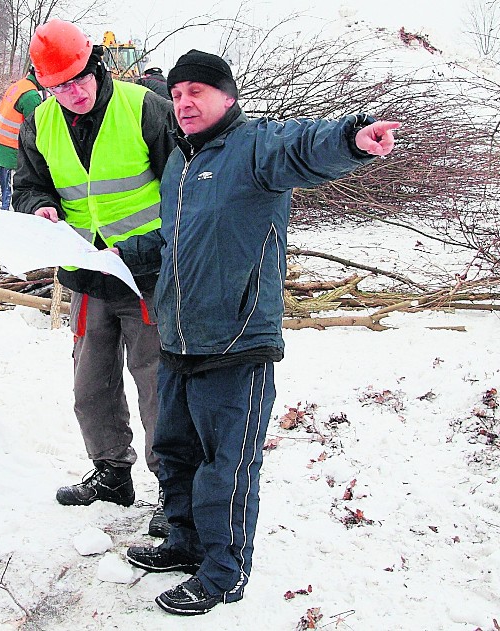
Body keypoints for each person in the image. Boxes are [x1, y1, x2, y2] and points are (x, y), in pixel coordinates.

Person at [115, 50, 399, 615]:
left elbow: (302, 145)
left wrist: (351, 139)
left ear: (228, 97)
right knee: (175, 451)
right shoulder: (179, 162)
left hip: (237, 341)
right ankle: (185, 540)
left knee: (228, 465)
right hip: (178, 337)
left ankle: (224, 573)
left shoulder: (254, 149)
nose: (184, 102)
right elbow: (175, 243)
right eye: (175, 94)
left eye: (197, 90)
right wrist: (110, 254)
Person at [12, 19, 176, 538]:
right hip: (85, 271)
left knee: (157, 384)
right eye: (59, 86)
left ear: (95, 65)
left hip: (145, 273)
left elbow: (185, 186)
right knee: (91, 384)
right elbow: (29, 185)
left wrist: (160, 249)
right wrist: (39, 208)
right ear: (44, 86)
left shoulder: (144, 107)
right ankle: (111, 472)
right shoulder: (39, 123)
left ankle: (174, 489)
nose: (73, 92)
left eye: (79, 79)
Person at [0, 68, 42, 210]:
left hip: (2, 151)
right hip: (13, 156)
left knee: (7, 198)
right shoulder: (31, 96)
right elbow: (37, 131)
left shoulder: (19, 86)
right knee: (14, 205)